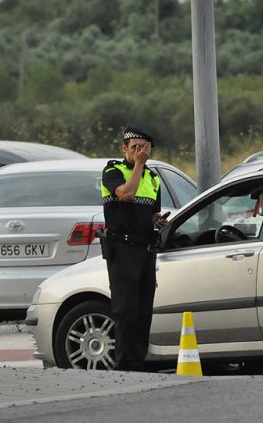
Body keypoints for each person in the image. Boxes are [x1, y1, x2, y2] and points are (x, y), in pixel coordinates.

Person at [99, 126, 169, 371]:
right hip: (123, 247)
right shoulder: (113, 171)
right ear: (124, 149)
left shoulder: (153, 177)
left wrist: (157, 220)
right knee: (125, 308)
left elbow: (151, 212)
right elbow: (126, 194)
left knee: (143, 308)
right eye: (135, 148)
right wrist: (138, 165)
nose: (140, 152)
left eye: (144, 148)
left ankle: (138, 362)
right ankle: (124, 364)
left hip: (145, 248)